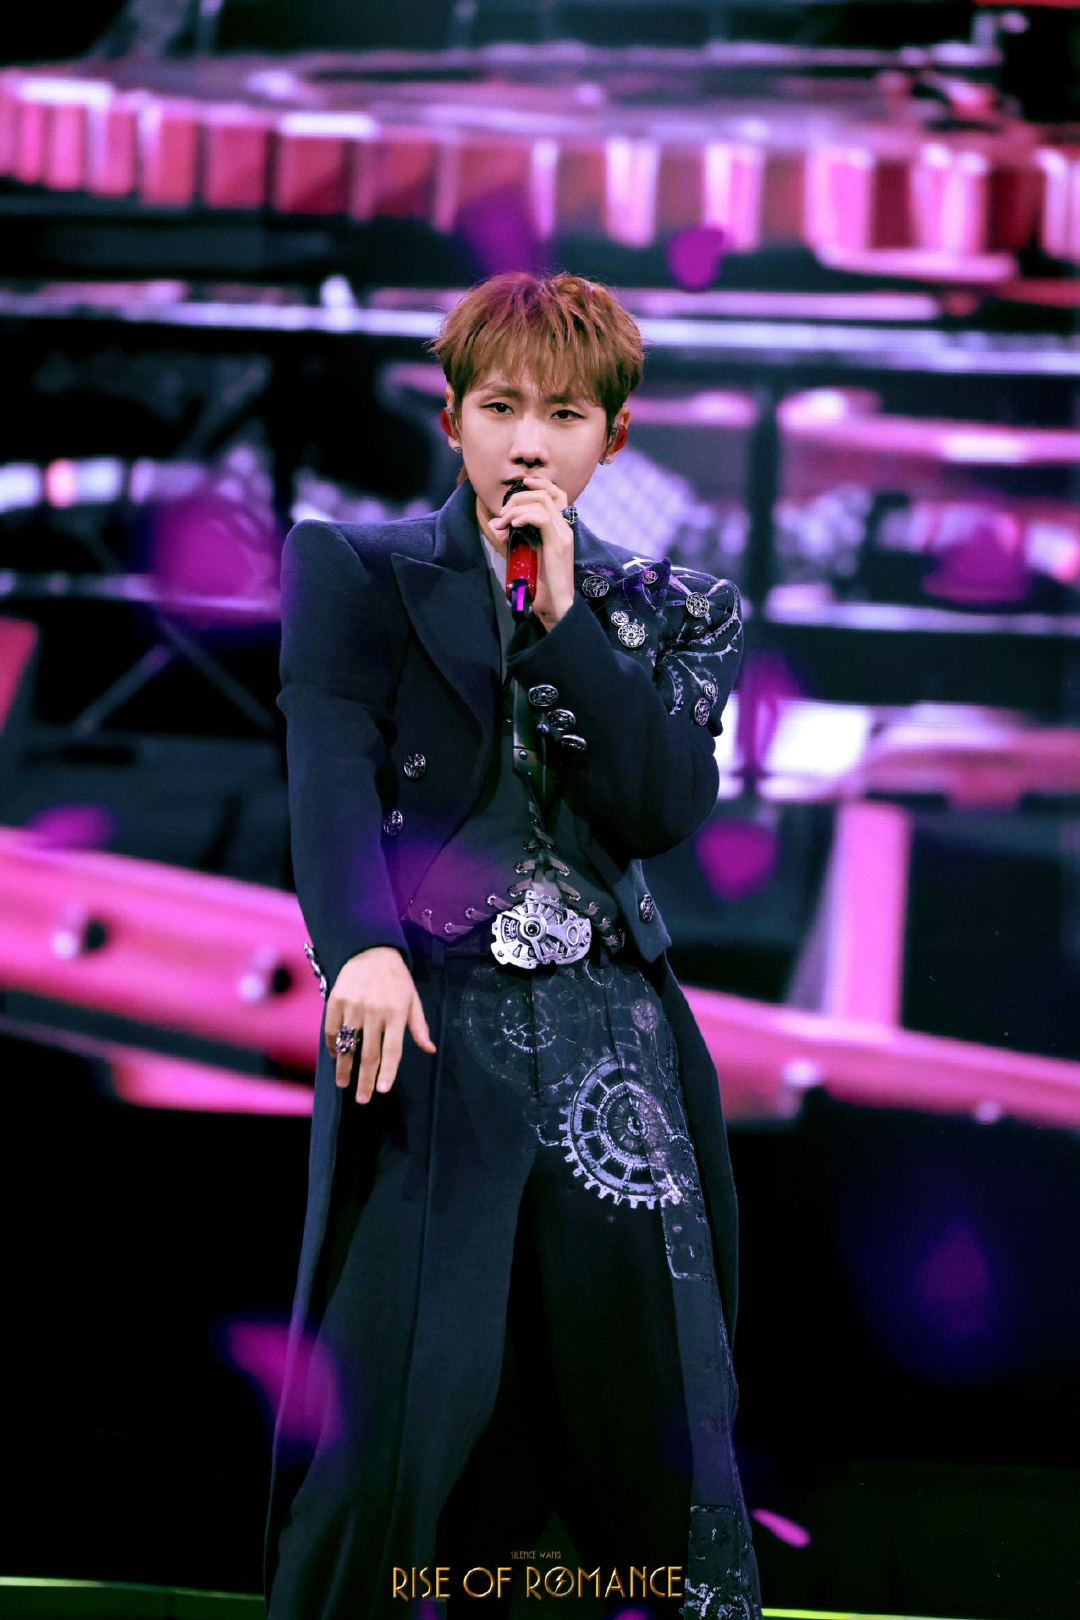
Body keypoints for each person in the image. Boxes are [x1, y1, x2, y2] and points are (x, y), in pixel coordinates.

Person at [262, 270, 763, 1620]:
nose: (527, 445)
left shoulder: (679, 610)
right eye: (499, 409)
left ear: (613, 438)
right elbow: (328, 765)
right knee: (396, 1410)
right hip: (436, 1025)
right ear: (453, 421)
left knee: (642, 1422)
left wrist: (565, 628)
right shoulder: (358, 571)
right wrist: (359, 948)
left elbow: (659, 807)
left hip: (615, 1048)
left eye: (562, 416)